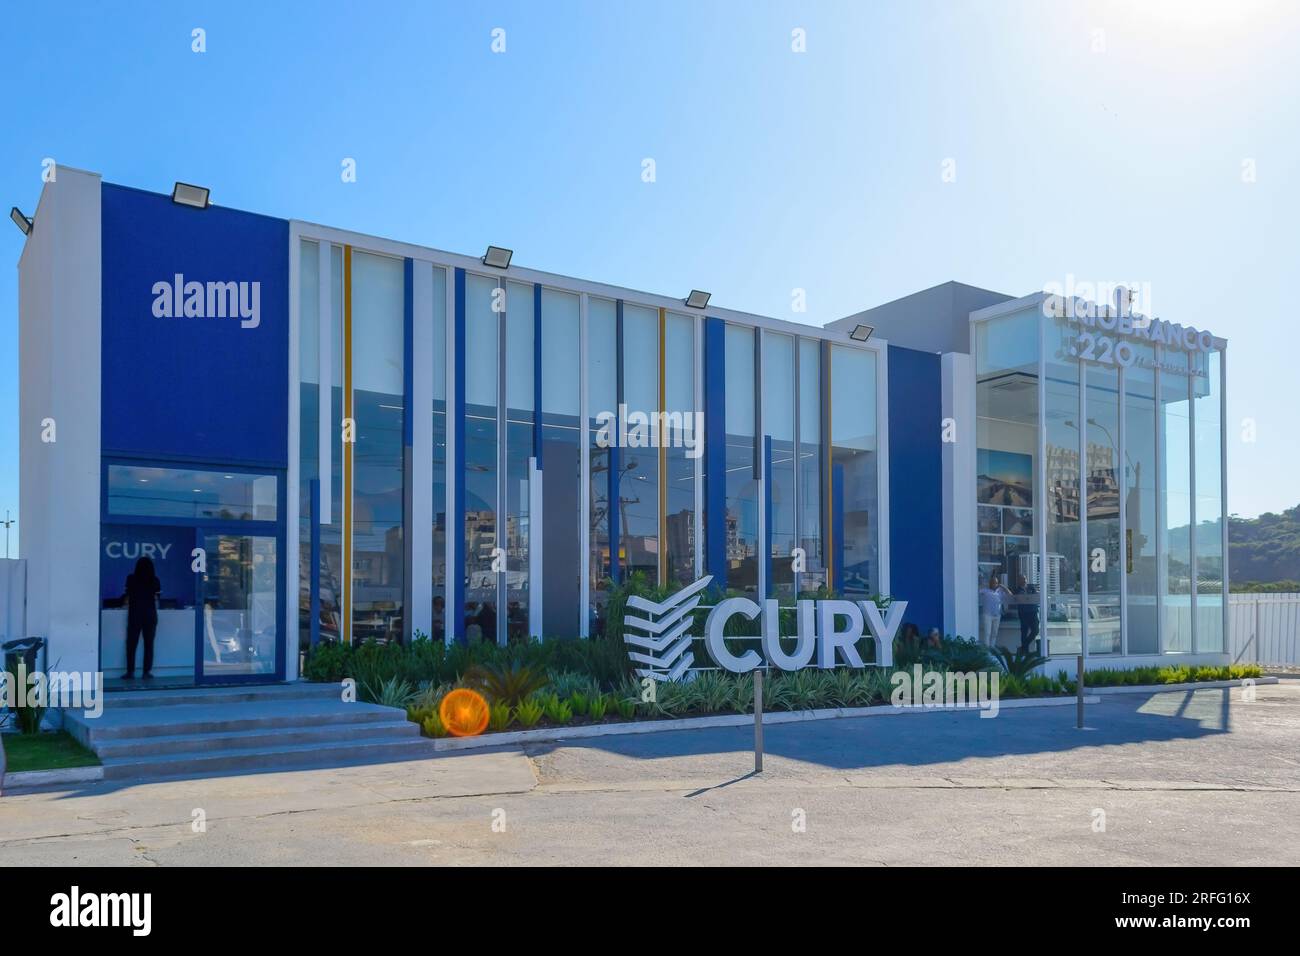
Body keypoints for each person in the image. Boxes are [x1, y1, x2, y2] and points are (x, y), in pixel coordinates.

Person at [123, 556, 161, 679]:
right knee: (149, 644)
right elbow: (157, 598)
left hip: (135, 615)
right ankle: (146, 672)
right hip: (150, 615)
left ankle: (130, 671)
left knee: (131, 644)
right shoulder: (155, 580)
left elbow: (127, 598)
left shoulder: (131, 579)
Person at [978, 574, 1011, 648]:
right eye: (992, 582)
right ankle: (986, 651)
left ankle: (992, 649)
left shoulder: (1000, 591)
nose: (994, 584)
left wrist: (1003, 587)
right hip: (987, 615)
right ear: (990, 583)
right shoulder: (985, 590)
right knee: (987, 633)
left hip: (997, 615)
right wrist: (983, 583)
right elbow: (976, 591)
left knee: (994, 633)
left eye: (996, 583)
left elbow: (1010, 595)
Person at [1012, 574, 1040, 653]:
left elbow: (1036, 596)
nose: (1024, 580)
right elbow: (1015, 599)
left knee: (1036, 630)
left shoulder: (1031, 587)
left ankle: (1024, 646)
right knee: (1024, 631)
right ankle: (1025, 651)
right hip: (1023, 613)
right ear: (1019, 581)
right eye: (1022, 579)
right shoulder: (1017, 590)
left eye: (1025, 579)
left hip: (1033, 612)